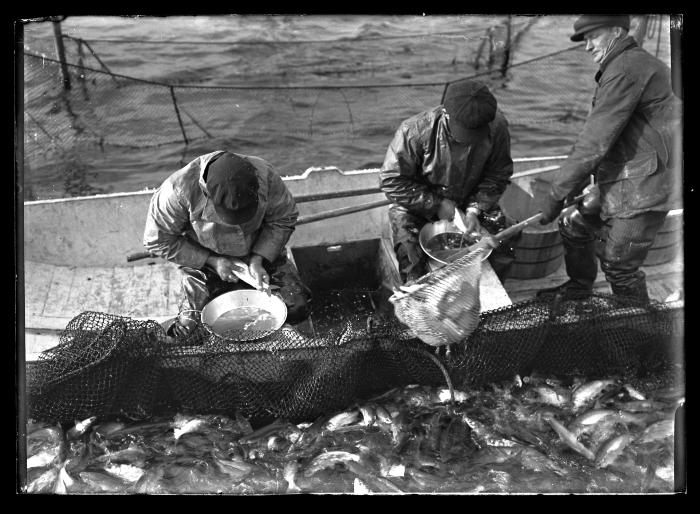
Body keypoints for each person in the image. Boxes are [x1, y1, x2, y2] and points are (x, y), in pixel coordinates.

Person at [537, 15, 682, 303]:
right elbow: (610, 137)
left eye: (593, 36)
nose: (588, 46)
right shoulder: (621, 64)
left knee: (619, 263)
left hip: (650, 184)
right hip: (632, 172)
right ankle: (579, 288)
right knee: (572, 222)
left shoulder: (626, 69)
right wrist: (588, 185)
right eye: (585, 40)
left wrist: (557, 192)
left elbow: (595, 139)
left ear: (617, 31)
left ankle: (637, 329)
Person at [143, 150, 311, 336]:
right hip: (205, 264)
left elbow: (283, 218)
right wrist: (213, 261)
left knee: (298, 307)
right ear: (207, 192)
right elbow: (157, 240)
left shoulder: (266, 175)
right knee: (190, 331)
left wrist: (258, 258)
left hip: (261, 254)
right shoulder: (176, 190)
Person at [379, 79, 516, 284]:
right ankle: (417, 293)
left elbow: (498, 174)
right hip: (419, 203)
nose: (469, 141)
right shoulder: (414, 132)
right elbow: (391, 181)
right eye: (464, 134)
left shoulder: (498, 127)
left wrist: (474, 209)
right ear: (445, 113)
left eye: (476, 135)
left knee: (504, 237)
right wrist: (436, 203)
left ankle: (491, 291)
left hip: (470, 200)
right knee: (408, 250)